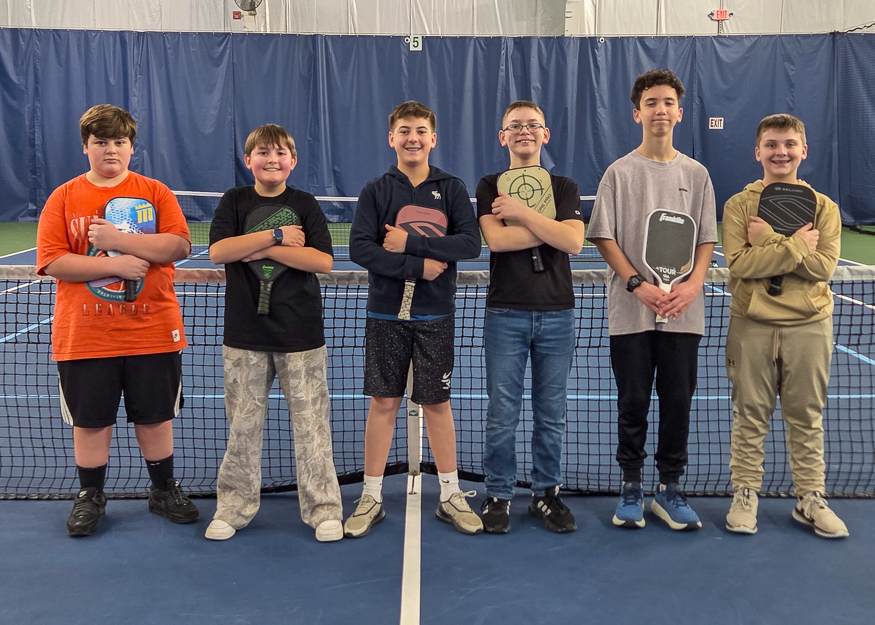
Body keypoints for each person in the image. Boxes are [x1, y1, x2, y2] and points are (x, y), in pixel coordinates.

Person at [36, 104, 199, 536]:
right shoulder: (63, 197)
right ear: (86, 147)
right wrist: (118, 267)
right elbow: (52, 261)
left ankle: (163, 489)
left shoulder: (156, 192)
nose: (111, 150)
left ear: (131, 148)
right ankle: (91, 496)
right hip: (85, 333)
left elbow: (179, 246)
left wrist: (117, 241)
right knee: (91, 421)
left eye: (119, 142)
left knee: (155, 417)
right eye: (101, 142)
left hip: (154, 330)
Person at [587, 69, 717, 531]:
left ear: (679, 113)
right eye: (651, 102)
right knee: (633, 400)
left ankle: (671, 489)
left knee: (678, 400)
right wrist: (637, 285)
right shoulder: (619, 173)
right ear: (636, 112)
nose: (659, 109)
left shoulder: (697, 175)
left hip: (684, 311)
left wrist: (694, 283)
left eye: (667, 102)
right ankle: (631, 488)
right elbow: (603, 236)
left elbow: (705, 239)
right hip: (630, 312)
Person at [345, 101, 483, 537]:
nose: (412, 138)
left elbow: (469, 245)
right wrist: (415, 267)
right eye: (404, 131)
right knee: (383, 403)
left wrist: (411, 245)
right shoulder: (376, 190)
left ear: (433, 138)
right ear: (392, 138)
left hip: (435, 315)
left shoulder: (453, 188)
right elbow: (360, 250)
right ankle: (370, 496)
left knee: (438, 405)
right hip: (385, 315)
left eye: (421, 131)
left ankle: (450, 494)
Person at [205, 124, 344, 542]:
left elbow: (322, 261)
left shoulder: (305, 203)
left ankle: (324, 510)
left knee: (312, 428)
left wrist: (256, 246)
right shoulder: (235, 201)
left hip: (300, 335)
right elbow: (217, 252)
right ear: (248, 160)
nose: (272, 159)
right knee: (242, 428)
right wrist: (275, 238)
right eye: (263, 152)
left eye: (281, 153)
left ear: (293, 161)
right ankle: (233, 507)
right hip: (244, 336)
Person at [722, 114, 848, 538]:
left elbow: (822, 267)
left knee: (806, 415)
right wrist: (794, 243)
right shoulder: (739, 205)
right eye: (772, 145)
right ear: (758, 152)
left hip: (810, 325)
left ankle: (810, 497)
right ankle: (745, 494)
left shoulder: (825, 207)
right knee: (750, 414)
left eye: (790, 144)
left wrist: (771, 241)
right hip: (751, 323)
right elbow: (740, 264)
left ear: (804, 150)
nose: (781, 152)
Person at [475, 101, 584, 533]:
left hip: (557, 314)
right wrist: (548, 226)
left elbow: (574, 241)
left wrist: (522, 213)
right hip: (506, 313)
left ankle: (546, 494)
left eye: (532, 125)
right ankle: (498, 494)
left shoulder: (564, 185)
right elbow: (497, 243)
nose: (524, 131)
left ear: (545, 134)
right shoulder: (488, 185)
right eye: (514, 126)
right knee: (502, 412)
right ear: (503, 136)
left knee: (551, 412)